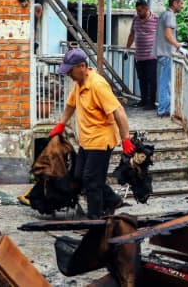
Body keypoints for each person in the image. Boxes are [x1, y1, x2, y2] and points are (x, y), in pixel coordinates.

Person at [49, 48, 135, 219]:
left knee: (91, 181)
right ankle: (112, 200)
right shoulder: (79, 84)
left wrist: (126, 139)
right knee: (79, 176)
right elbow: (70, 105)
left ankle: (95, 219)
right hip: (87, 139)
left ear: (82, 66)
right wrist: (60, 124)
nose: (68, 75)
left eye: (70, 70)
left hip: (102, 140)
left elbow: (119, 111)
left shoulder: (97, 85)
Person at [152, 0, 186, 117]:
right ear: (175, 3)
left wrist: (178, 44)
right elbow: (167, 34)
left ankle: (164, 108)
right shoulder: (170, 15)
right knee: (165, 84)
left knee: (164, 83)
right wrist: (178, 46)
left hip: (162, 53)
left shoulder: (164, 15)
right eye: (181, 3)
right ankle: (163, 109)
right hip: (166, 54)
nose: (182, 6)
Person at [125, 0, 158, 110]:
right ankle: (143, 100)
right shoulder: (136, 19)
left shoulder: (156, 19)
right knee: (142, 79)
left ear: (146, 9)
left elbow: (164, 36)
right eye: (137, 11)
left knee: (151, 79)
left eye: (140, 11)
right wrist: (127, 49)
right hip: (139, 56)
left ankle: (151, 103)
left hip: (152, 56)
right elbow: (132, 34)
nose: (138, 13)